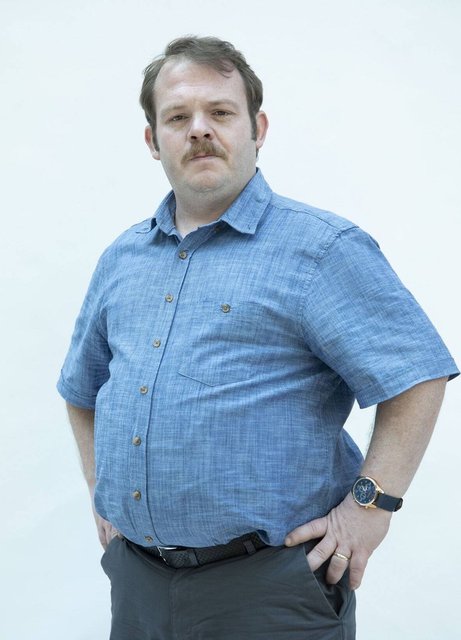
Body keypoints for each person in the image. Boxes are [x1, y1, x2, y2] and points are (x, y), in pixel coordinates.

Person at [57, 36, 458, 639]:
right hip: (137, 585)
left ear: (257, 128)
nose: (199, 129)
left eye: (220, 112)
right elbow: (81, 390)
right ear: (153, 140)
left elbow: (417, 376)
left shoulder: (321, 249)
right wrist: (102, 497)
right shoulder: (122, 259)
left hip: (270, 590)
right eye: (177, 117)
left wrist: (371, 508)